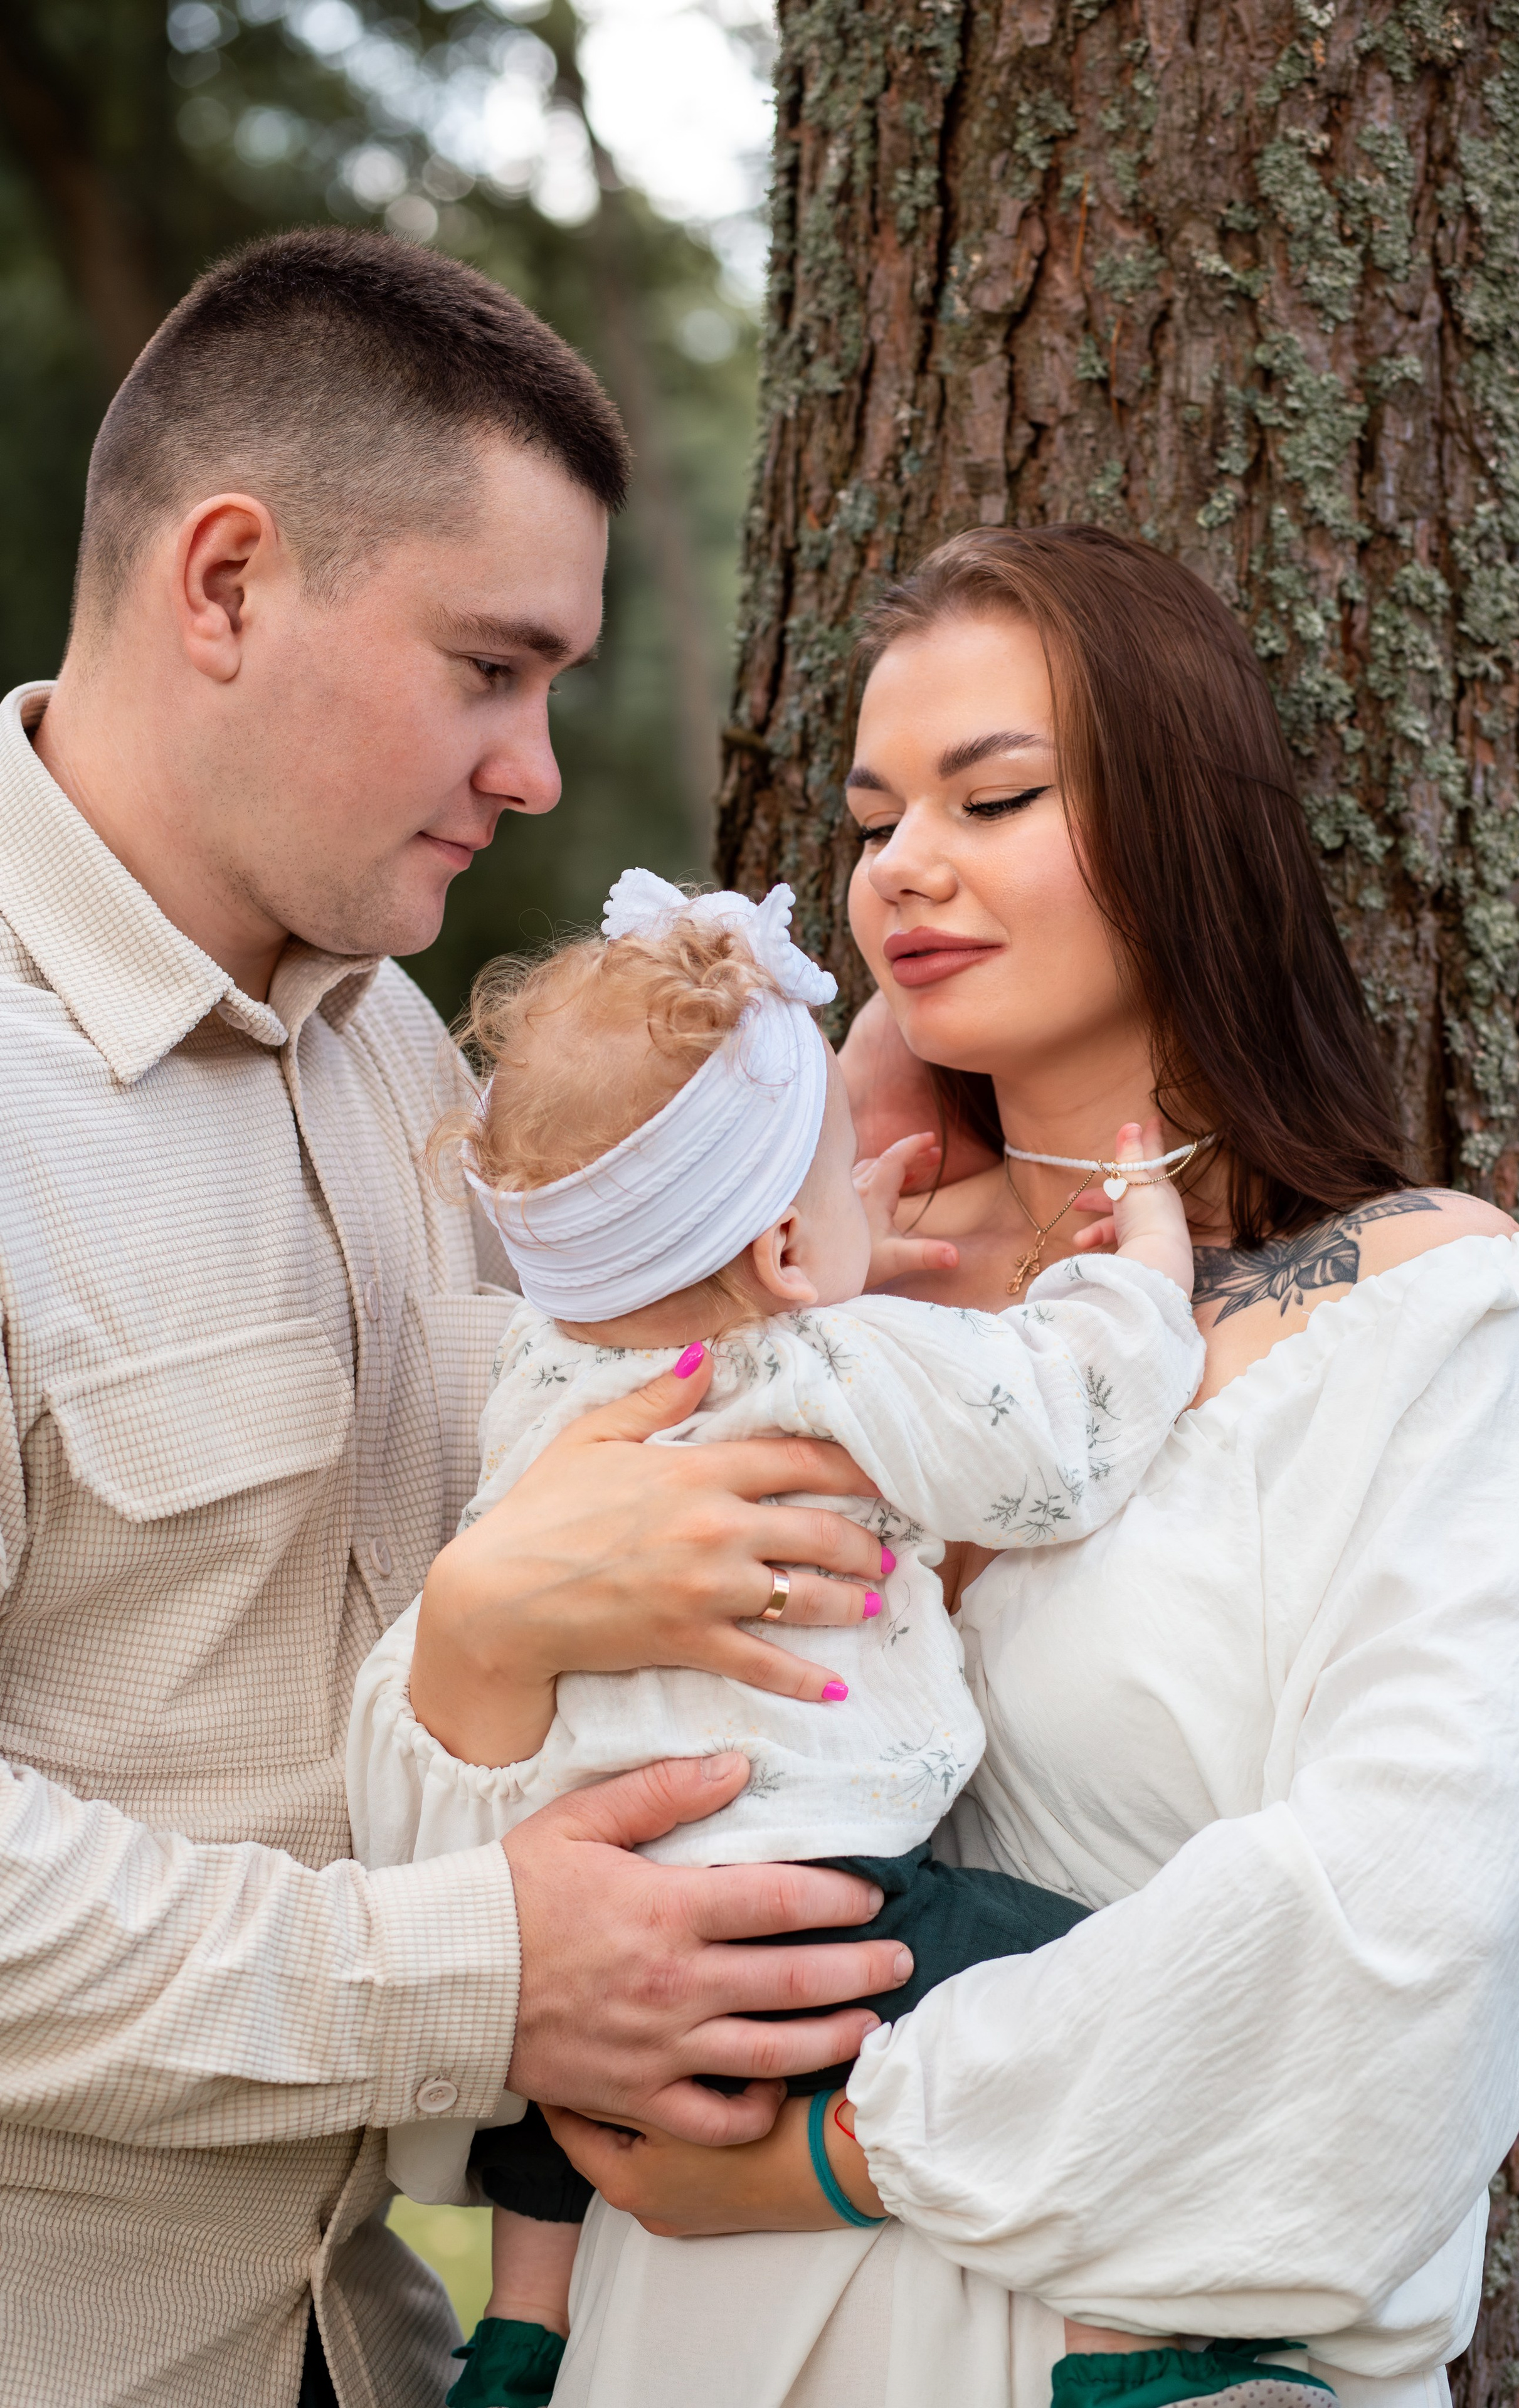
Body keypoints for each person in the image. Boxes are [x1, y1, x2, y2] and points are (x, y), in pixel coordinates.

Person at [413, 526, 1519, 2408]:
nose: (905, 872)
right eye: (877, 820)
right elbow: (449, 1913)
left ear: (1187, 831)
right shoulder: (742, 1311)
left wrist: (828, 2150)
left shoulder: (1439, 1319)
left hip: (1103, 2339)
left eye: (998, 796)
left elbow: (1392, 1930)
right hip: (673, 2346)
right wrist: (475, 1639)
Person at [0, 230, 926, 2408]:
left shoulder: (414, 1064)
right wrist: (478, 1974)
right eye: (488, 667)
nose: (530, 768)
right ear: (223, 585)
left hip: (377, 2343)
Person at [346, 865, 1210, 2407]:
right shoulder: (843, 1361)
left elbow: (721, 1312)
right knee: (1099, 1998)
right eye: (827, 1175)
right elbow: (1057, 1432)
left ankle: (521, 2338)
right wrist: (1136, 1270)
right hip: (807, 1905)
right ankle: (1138, 2360)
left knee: (552, 2096)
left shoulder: (541, 1376)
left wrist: (817, 1253)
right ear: (791, 1260)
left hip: (584, 1908)